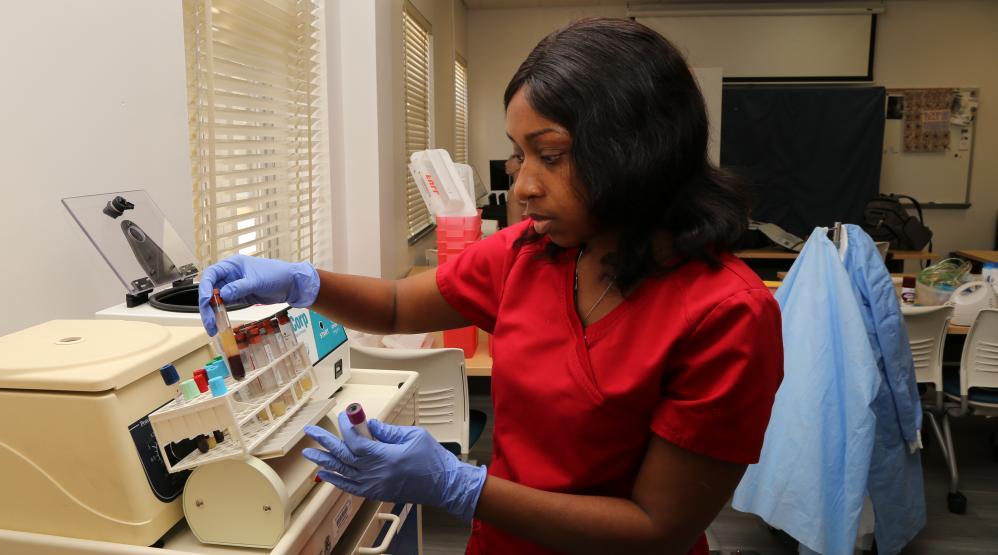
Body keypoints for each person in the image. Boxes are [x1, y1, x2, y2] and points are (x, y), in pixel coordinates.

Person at [198, 18, 783, 555]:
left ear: (637, 153)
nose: (523, 185)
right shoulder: (532, 253)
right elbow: (401, 306)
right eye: (517, 155)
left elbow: (659, 528)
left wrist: (461, 486)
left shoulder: (727, 315)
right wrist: (302, 281)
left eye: (549, 155)